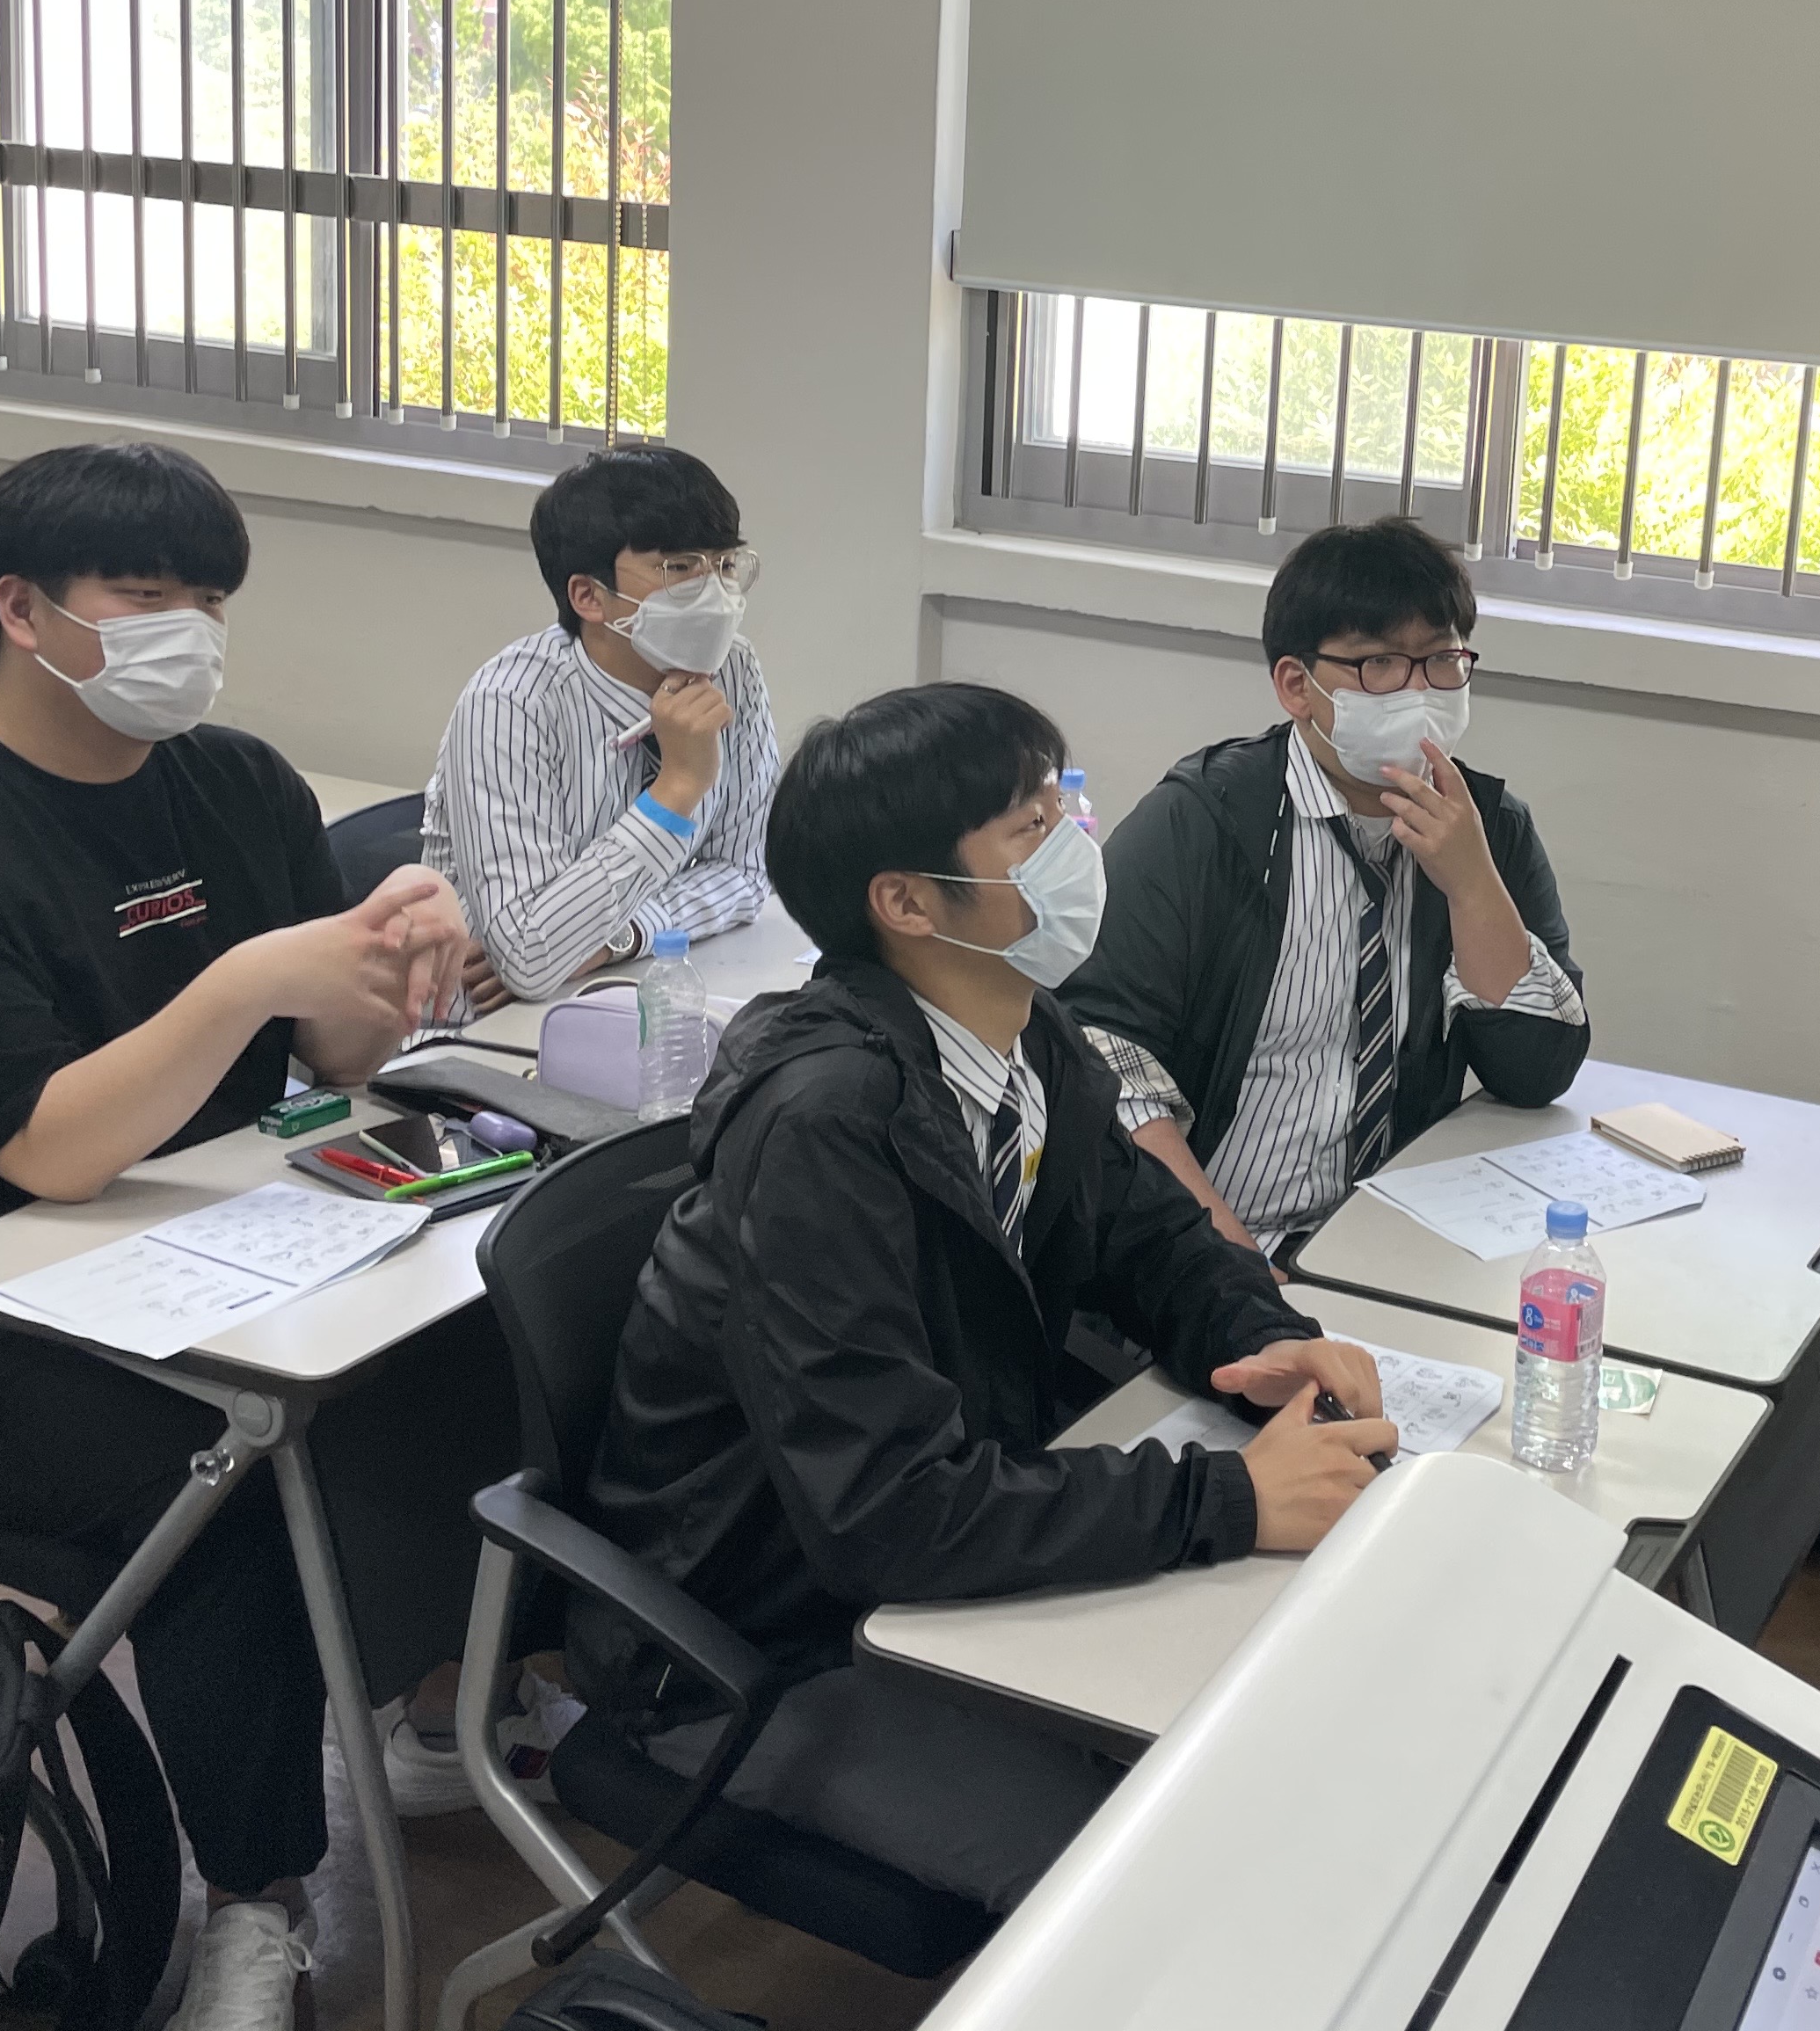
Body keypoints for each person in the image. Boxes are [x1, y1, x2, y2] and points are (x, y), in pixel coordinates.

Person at [0, 442, 475, 2031]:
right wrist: (243, 977)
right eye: (145, 596)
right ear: (22, 609)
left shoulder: (235, 783)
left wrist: (393, 949)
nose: (189, 632)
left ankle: (460, 1706)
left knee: (474, 1357)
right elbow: (50, 1152)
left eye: (209, 600)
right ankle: (259, 1899)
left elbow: (334, 1060)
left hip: (220, 1246)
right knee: (238, 1475)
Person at [577, 681, 1394, 1911]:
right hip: (767, 1644)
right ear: (906, 903)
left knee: (1294, 1746)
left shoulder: (1024, 1034)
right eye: (1031, 827)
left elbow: (1152, 1236)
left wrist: (1264, 1338)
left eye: (1062, 807)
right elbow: (885, 1511)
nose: (1077, 844)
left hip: (937, 1570)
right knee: (1172, 1885)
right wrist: (1228, 1499)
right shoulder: (825, 1127)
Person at [1064, 517, 1588, 1255]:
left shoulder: (1488, 827)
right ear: (1296, 686)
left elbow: (1536, 1073)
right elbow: (1103, 1058)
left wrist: (1473, 887)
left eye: (1441, 660)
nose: (1419, 691)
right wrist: (1228, 1268)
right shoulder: (1202, 822)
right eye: (1380, 664)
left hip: (1388, 1245)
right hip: (1213, 1245)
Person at [424, 442, 779, 1006]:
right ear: (589, 596)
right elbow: (530, 958)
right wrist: (678, 787)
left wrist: (623, 936)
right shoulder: (509, 705)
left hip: (622, 989)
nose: (716, 595)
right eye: (679, 568)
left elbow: (746, 873)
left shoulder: (732, 668)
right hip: (477, 1028)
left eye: (726, 565)